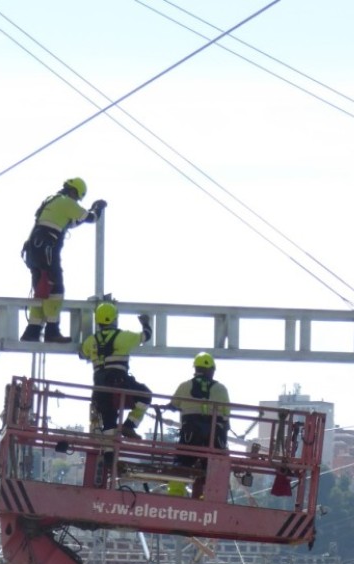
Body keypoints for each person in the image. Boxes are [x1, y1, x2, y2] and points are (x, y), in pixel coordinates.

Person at [20, 177, 106, 343]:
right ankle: (52, 331)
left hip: (34, 250)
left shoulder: (53, 201)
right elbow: (90, 218)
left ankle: (32, 331)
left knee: (41, 291)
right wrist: (97, 208)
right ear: (75, 193)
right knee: (56, 289)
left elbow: (72, 223)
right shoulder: (67, 202)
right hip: (46, 249)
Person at [80, 302, 153, 439]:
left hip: (100, 388)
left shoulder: (91, 341)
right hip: (120, 382)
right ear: (115, 319)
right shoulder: (123, 337)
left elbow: (82, 354)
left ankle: (109, 456)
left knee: (109, 423)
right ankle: (129, 425)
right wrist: (145, 323)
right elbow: (146, 336)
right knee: (145, 395)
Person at [165, 352, 231, 497]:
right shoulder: (221, 389)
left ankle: (175, 497)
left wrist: (169, 406)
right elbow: (226, 415)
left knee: (181, 465)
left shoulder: (184, 386)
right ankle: (206, 501)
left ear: (195, 368)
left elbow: (173, 404)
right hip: (215, 439)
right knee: (211, 471)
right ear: (212, 370)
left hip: (190, 435)